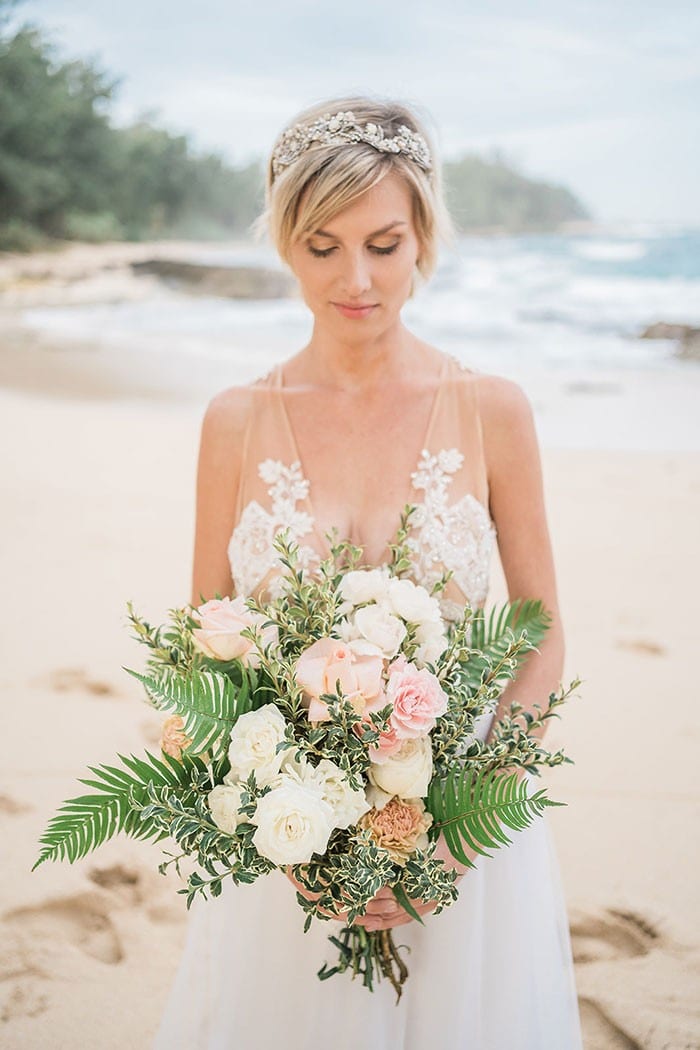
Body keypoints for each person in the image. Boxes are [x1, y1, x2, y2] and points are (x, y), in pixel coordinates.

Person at [153, 95, 583, 1049]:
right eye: (322, 246)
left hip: (466, 830)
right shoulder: (234, 421)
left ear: (425, 234)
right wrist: (279, 816)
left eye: (385, 244)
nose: (357, 278)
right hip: (292, 850)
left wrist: (456, 833)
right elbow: (206, 646)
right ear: (283, 244)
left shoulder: (493, 411)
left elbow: (541, 639)